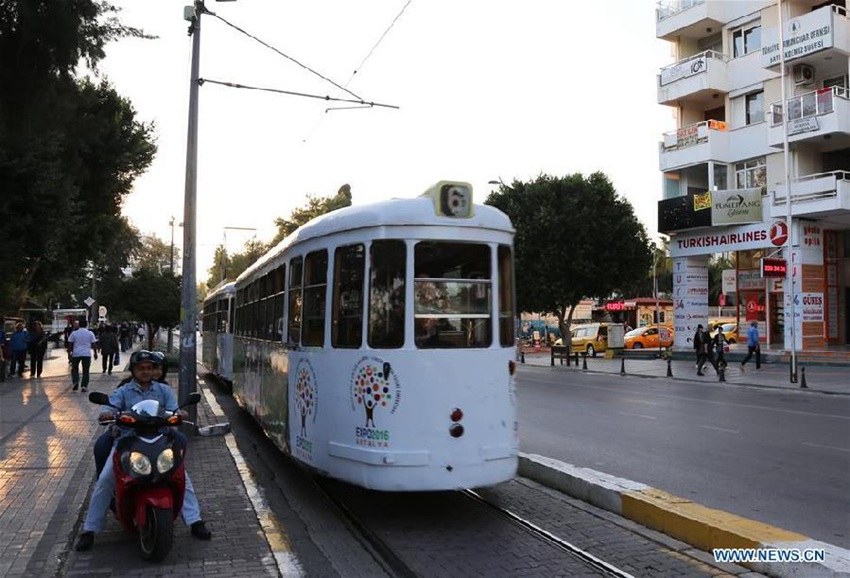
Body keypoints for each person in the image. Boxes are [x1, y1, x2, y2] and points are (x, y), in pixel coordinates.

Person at [77, 350, 211, 551]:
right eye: (141, 368)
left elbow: (173, 409)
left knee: (181, 476)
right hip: (128, 440)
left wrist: (179, 413)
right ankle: (90, 530)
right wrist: (107, 413)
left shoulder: (163, 390)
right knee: (105, 480)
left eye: (149, 368)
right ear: (133, 371)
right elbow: (111, 407)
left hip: (159, 438)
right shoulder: (124, 391)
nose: (146, 372)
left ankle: (195, 521)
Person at [67, 319, 98, 392]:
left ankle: (76, 381)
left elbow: (70, 344)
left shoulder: (74, 333)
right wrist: (95, 353)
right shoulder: (90, 333)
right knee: (86, 370)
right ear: (86, 325)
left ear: (79, 325)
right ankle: (84, 385)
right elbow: (94, 344)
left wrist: (69, 354)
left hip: (76, 353)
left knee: (74, 369)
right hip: (86, 354)